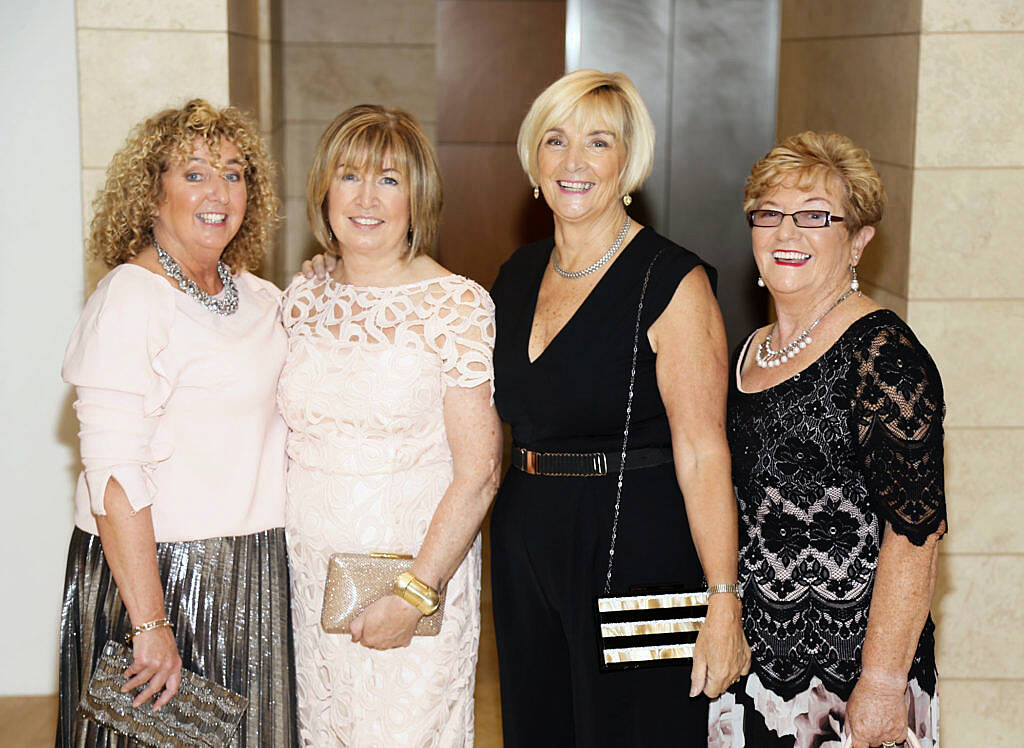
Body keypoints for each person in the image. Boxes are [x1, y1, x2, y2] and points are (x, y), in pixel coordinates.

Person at [487, 69, 750, 746]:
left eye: (598, 143)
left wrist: (723, 598)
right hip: (526, 544)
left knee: (638, 731)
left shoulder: (672, 280)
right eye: (556, 140)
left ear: (628, 162)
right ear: (533, 160)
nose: (573, 162)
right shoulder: (517, 274)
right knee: (538, 729)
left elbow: (703, 449)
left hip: (640, 546)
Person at [58, 100, 297, 745]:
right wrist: (148, 622)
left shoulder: (260, 297)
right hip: (161, 579)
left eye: (234, 172)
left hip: (256, 574)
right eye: (194, 173)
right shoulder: (130, 299)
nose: (219, 192)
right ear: (152, 192)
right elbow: (112, 473)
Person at [708, 131, 946, 748]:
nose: (787, 234)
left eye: (816, 217)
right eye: (770, 214)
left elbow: (915, 533)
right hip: (754, 671)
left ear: (858, 239)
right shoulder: (748, 353)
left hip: (851, 682)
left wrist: (883, 683)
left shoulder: (884, 355)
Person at [281, 105, 502, 745]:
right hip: (307, 575)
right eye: (350, 176)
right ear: (324, 191)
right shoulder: (305, 295)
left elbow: (480, 472)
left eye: (389, 180)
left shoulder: (453, 304)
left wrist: (414, 594)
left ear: (418, 198)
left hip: (409, 571)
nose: (366, 197)